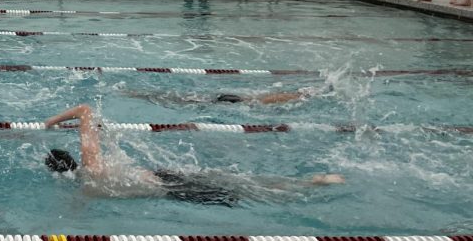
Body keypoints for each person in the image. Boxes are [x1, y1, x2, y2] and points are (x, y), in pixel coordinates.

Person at [42, 104, 343, 204]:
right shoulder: (93, 162)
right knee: (243, 182)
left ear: (59, 174)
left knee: (245, 193)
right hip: (166, 175)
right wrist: (50, 122)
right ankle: (307, 182)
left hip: (171, 189)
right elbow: (85, 110)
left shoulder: (89, 183)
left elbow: (76, 212)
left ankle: (309, 185)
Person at [120, 87, 309, 107]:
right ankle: (297, 94)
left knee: (256, 101)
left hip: (226, 100)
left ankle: (137, 94)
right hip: (226, 100)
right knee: (257, 100)